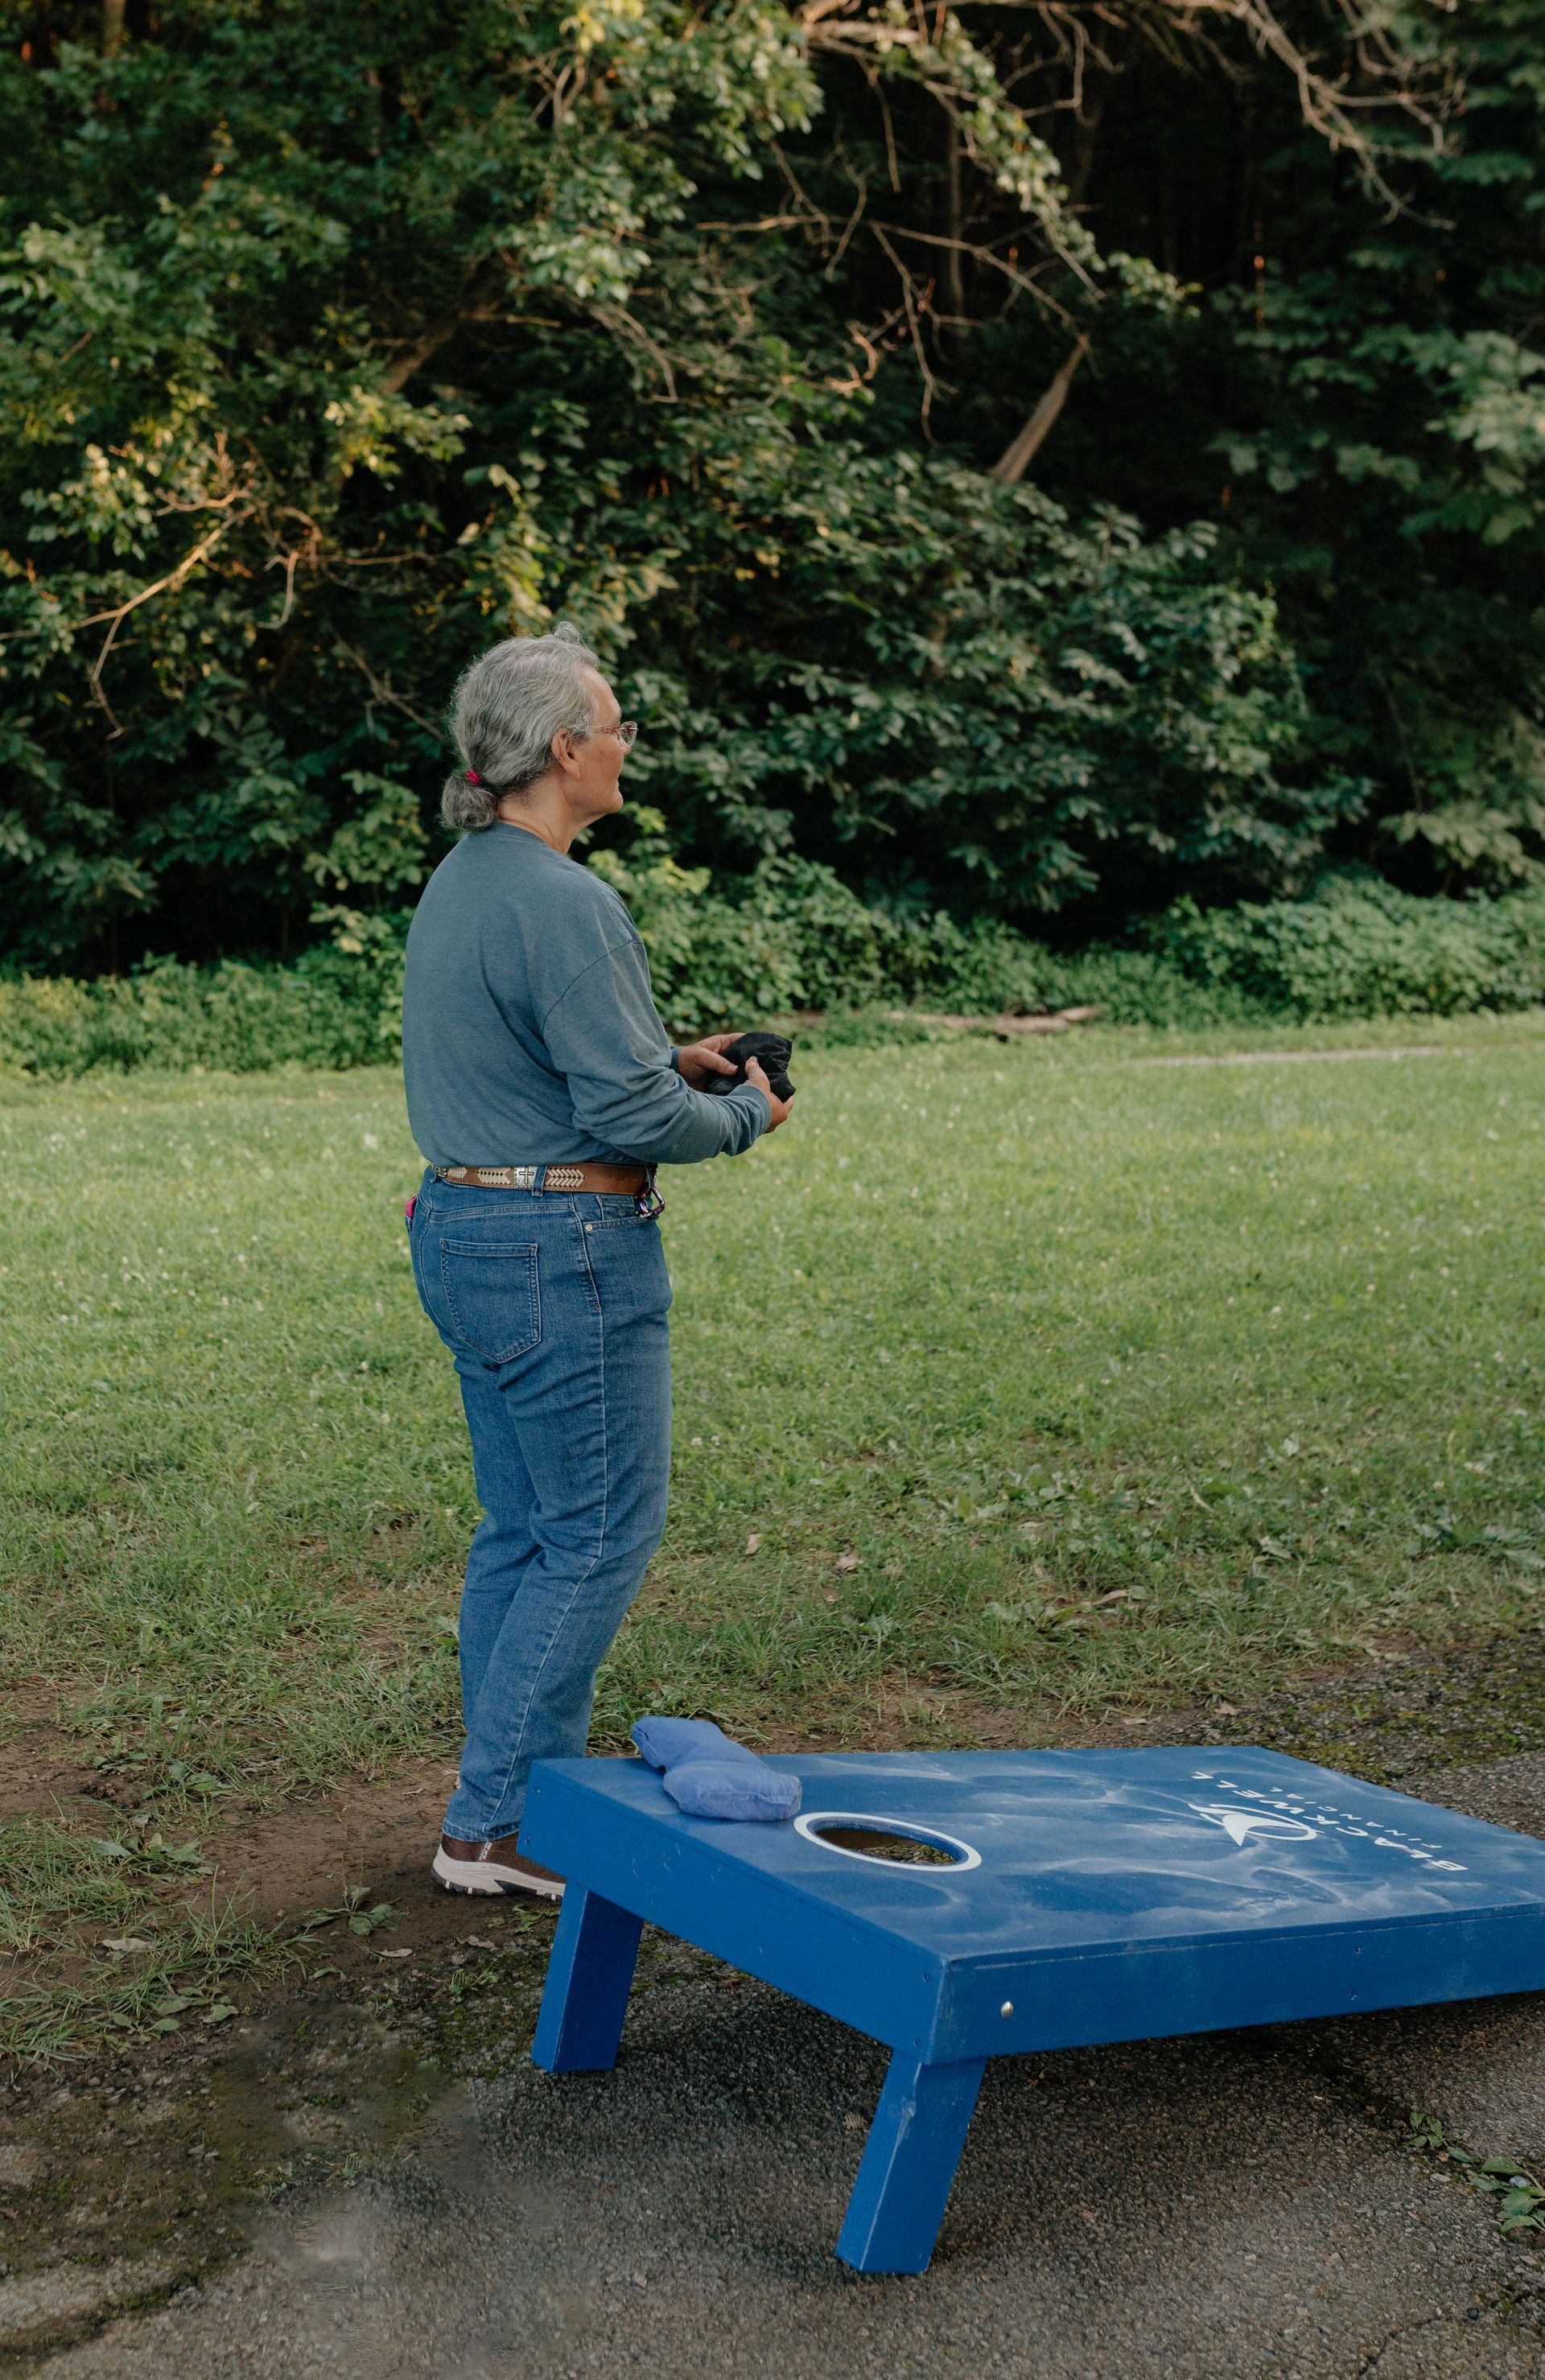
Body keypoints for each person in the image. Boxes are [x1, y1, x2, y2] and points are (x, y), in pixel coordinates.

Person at [401, 624, 793, 1900]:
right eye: (616, 723)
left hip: (466, 1227)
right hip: (563, 1250)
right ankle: (500, 1824)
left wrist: (668, 1058)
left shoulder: (465, 878)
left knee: (523, 1529)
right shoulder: (569, 901)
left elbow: (551, 1069)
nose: (628, 743)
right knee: (599, 1533)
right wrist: (743, 1111)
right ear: (567, 748)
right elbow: (632, 1122)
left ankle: (508, 1801)